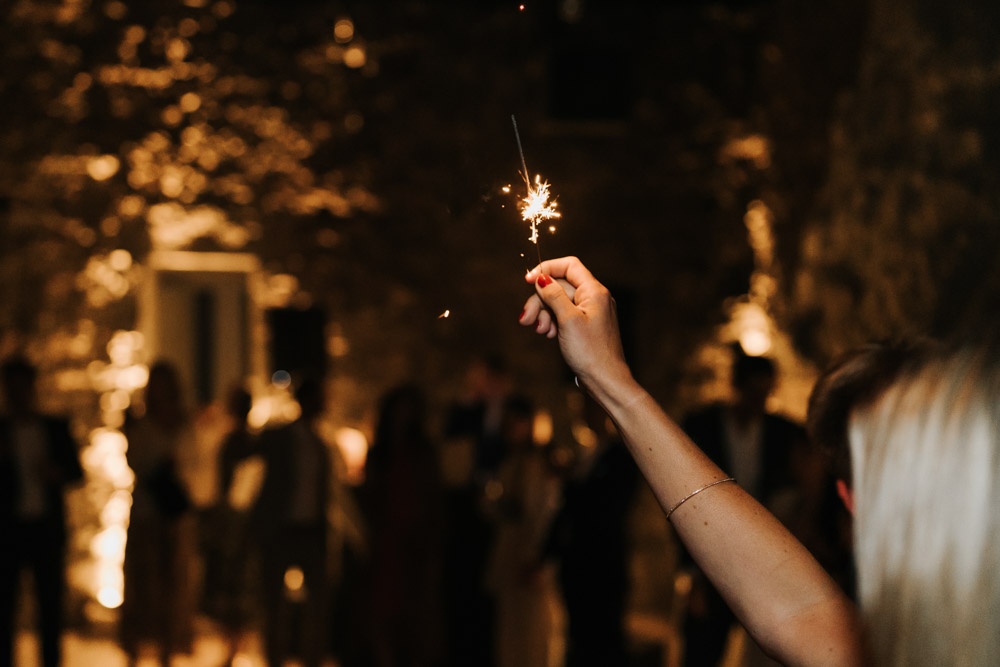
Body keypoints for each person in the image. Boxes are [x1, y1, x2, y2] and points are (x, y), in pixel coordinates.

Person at [518, 257, 862, 666]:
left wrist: (606, 377)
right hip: (725, 566)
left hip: (777, 565)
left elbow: (802, 614)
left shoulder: (786, 433)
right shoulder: (704, 424)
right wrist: (604, 375)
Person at [679, 351, 804, 666]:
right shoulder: (701, 426)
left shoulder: (785, 432)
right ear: (737, 386)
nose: (759, 401)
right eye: (753, 391)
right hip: (711, 557)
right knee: (702, 649)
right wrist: (693, 573)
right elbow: (682, 500)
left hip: (766, 562)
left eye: (765, 392)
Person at [543, 393, 639, 667]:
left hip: (602, 565)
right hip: (576, 565)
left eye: (587, 409)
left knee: (605, 641)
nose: (582, 416)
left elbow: (607, 508)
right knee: (580, 638)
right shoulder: (584, 456)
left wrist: (570, 485)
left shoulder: (620, 457)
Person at [0, 357, 83, 667]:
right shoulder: (3, 431)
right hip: (9, 530)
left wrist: (55, 473)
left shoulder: (54, 428)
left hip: (46, 530)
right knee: (5, 609)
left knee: (51, 610)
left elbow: (76, 471)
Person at [359, 383, 445, 667]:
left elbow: (431, 497)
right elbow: (371, 498)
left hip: (415, 544)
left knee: (415, 617)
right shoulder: (380, 453)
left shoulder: (422, 453)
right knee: (383, 612)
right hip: (387, 543)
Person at [252, 376, 335, 667]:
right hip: (281, 530)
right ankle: (275, 659)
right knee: (274, 605)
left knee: (316, 605)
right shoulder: (278, 437)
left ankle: (310, 659)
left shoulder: (320, 444)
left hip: (310, 530)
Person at [121, 360, 199, 666]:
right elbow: (135, 461)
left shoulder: (185, 422)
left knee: (174, 586)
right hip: (145, 515)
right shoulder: (140, 423)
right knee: (142, 586)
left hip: (176, 516)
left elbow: (195, 464)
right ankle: (135, 652)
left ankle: (168, 652)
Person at [485, 395, 560, 667]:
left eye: (516, 422)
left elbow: (541, 514)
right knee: (510, 633)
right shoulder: (509, 463)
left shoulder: (537, 465)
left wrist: (533, 557)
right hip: (509, 556)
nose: (510, 428)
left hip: (527, 561)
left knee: (530, 634)